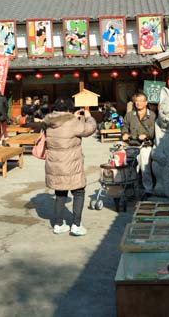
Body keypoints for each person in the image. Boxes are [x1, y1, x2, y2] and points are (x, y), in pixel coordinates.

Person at [42, 98, 97, 236]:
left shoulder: (49, 122)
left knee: (60, 193)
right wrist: (89, 117)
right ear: (69, 109)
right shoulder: (72, 122)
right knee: (79, 192)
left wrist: (74, 117)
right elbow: (89, 129)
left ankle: (59, 224)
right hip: (71, 164)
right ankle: (76, 225)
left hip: (55, 164)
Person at [122, 92, 157, 194]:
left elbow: (153, 129)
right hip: (131, 144)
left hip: (145, 145)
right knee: (121, 162)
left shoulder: (152, 115)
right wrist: (124, 133)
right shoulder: (129, 115)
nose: (139, 103)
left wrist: (146, 135)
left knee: (144, 163)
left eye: (141, 101)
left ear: (146, 103)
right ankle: (128, 187)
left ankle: (148, 188)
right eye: (137, 101)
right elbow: (124, 126)